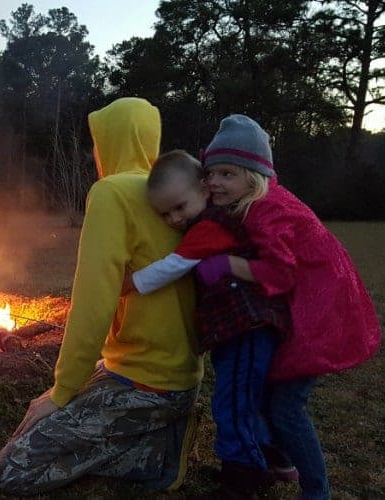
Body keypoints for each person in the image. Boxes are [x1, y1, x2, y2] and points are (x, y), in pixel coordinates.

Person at [0, 97, 204, 495]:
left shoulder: (113, 193)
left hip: (148, 385)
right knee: (53, 417)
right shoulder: (175, 194)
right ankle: (160, 426)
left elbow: (93, 304)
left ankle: (156, 454)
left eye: (97, 140)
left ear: (112, 141)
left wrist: (61, 392)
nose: (94, 152)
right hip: (171, 376)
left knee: (15, 469)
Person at [196, 114, 382, 500]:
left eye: (227, 174)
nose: (214, 182)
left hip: (321, 315)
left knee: (285, 408)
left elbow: (280, 274)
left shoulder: (269, 212)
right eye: (211, 173)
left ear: (254, 176)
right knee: (267, 393)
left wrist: (227, 265)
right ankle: (278, 463)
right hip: (308, 308)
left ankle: (317, 491)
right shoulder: (259, 203)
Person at [130, 150, 293, 498]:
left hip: (247, 328)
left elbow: (174, 265)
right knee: (243, 398)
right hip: (238, 329)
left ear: (205, 190)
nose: (174, 219)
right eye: (165, 213)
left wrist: (130, 283)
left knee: (232, 402)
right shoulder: (205, 222)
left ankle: (243, 479)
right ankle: (263, 458)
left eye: (179, 207)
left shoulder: (210, 226)